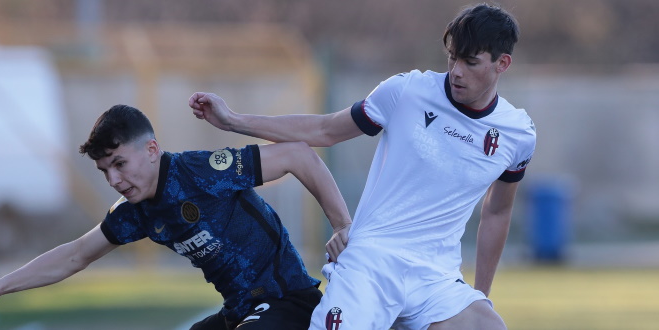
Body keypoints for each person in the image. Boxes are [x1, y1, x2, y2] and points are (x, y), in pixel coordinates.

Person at [189, 3, 536, 329]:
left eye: (471, 62)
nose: (457, 71)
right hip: (371, 262)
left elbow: (496, 212)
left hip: (436, 276)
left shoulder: (517, 134)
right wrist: (234, 120)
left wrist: (481, 295)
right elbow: (324, 130)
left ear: (501, 64)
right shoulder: (407, 91)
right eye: (452, 58)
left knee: (488, 325)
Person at [0, 104, 352, 329]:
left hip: (288, 301)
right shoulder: (136, 213)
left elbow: (299, 155)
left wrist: (342, 225)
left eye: (119, 164)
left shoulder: (202, 171)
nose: (113, 179)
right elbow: (75, 255)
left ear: (151, 150)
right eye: (104, 170)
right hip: (239, 312)